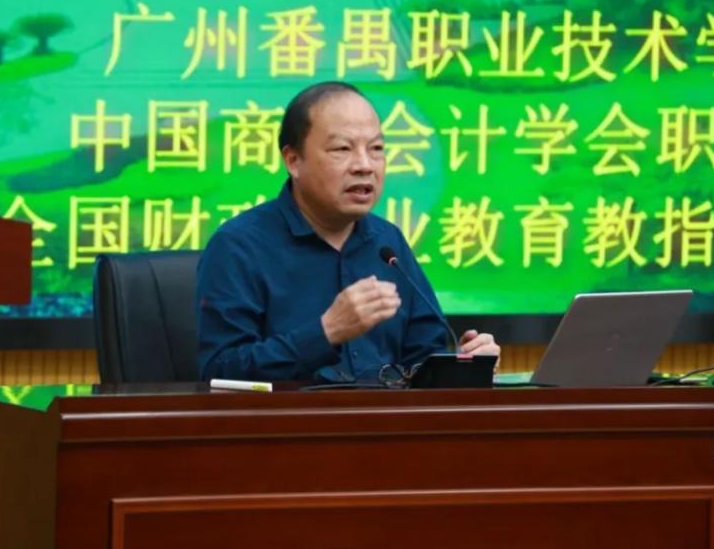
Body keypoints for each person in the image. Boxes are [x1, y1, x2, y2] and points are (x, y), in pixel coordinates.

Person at [196, 81, 500, 382]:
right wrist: (325, 333)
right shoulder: (239, 246)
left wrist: (465, 362)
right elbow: (219, 371)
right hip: (288, 415)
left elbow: (423, 357)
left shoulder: (388, 244)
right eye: (343, 149)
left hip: (383, 415)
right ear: (293, 160)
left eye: (376, 149)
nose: (365, 166)